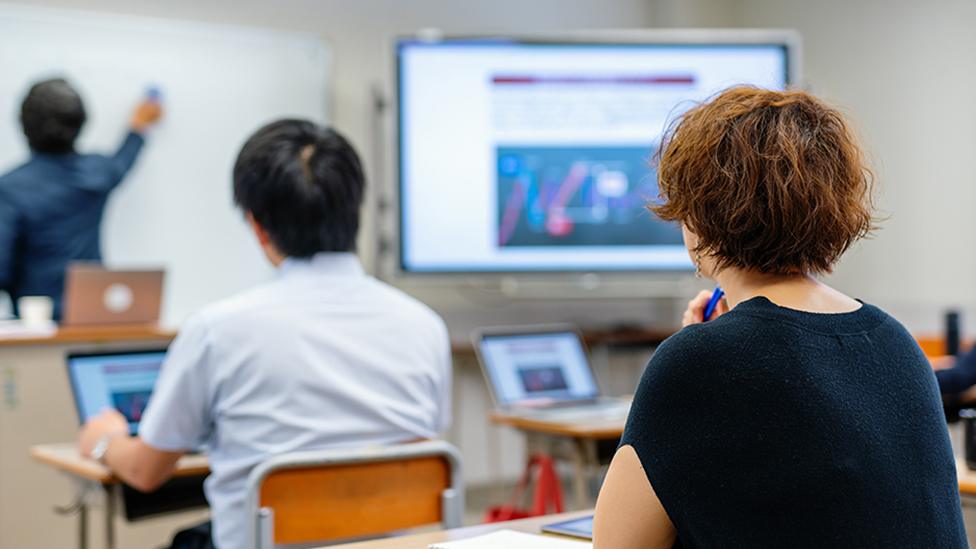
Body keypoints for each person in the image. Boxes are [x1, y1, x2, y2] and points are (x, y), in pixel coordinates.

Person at [593, 87, 966, 548]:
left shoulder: (697, 363)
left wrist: (698, 354)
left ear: (699, 213)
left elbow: (619, 544)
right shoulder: (894, 339)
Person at [77, 120, 452, 549]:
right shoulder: (424, 325)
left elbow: (146, 472)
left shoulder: (217, 331)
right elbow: (424, 445)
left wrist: (104, 439)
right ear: (357, 212)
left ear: (257, 226)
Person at [0, 78, 162, 319]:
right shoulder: (98, 174)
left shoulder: (10, 189)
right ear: (80, 125)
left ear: (24, 125)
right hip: (92, 323)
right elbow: (124, 158)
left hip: (35, 330)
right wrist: (140, 124)